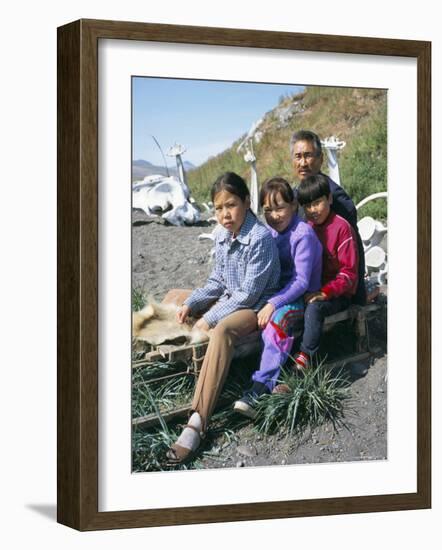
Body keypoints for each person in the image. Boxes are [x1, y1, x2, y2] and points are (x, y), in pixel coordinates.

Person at [166, 172, 280, 464]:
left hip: (254, 309)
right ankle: (169, 347)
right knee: (175, 297)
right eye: (218, 208)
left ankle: (198, 420)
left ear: (246, 201)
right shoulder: (221, 235)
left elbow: (248, 295)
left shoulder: (260, 238)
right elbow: (217, 280)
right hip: (230, 298)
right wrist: (192, 303)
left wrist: (210, 317)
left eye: (231, 205)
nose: (225, 214)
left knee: (221, 330)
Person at [233, 177, 322, 418]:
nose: (274, 215)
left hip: (300, 298)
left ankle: (261, 386)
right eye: (268, 210)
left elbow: (302, 281)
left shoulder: (302, 235)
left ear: (294, 205)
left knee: (276, 323)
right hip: (277, 292)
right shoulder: (270, 233)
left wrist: (273, 303)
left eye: (280, 207)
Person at [285, 173, 359, 372]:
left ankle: (304, 356)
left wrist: (325, 292)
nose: (312, 210)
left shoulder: (342, 228)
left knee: (314, 308)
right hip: (312, 288)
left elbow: (349, 274)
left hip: (338, 294)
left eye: (317, 203)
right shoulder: (306, 228)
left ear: (330, 199)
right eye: (307, 206)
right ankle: (280, 353)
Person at [290, 129, 366, 306]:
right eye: (298, 156)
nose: (303, 163)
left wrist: (357, 296)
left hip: (333, 289)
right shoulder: (294, 196)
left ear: (321, 159)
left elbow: (354, 248)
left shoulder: (335, 198)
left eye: (308, 156)